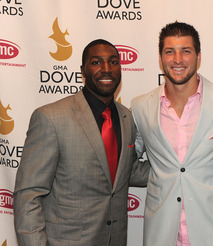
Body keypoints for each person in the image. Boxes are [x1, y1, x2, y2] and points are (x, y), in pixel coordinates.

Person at [13, 39, 149, 246]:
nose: (106, 69)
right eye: (96, 62)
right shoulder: (51, 118)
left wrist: (180, 168)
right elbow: (28, 195)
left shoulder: (126, 118)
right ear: (82, 70)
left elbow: (126, 172)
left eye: (113, 62)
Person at [131, 22, 213, 246]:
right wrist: (159, 175)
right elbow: (130, 163)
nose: (178, 59)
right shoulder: (140, 106)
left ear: (198, 56)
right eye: (169, 51)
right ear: (160, 57)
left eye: (186, 51)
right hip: (161, 231)